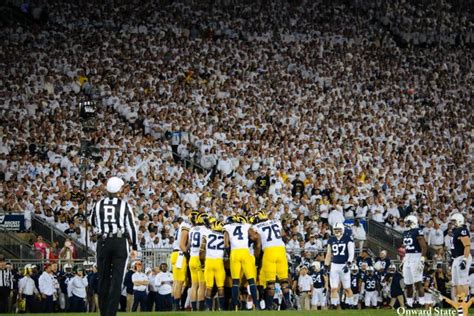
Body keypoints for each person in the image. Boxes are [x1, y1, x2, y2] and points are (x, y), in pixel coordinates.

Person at [88, 176, 138, 316]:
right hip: (119, 242)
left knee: (103, 277)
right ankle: (111, 313)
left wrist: (101, 228)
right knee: (117, 279)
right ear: (119, 190)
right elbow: (132, 227)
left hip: (103, 242)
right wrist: (134, 247)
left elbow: (92, 220)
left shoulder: (98, 204)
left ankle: (103, 313)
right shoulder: (124, 205)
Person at [251, 211, 291, 310]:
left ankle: (269, 307)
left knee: (271, 282)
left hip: (269, 251)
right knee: (284, 280)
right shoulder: (276, 222)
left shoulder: (256, 227)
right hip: (281, 250)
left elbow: (259, 245)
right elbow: (283, 234)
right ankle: (289, 304)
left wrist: (256, 257)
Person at [223, 214, 260, 310]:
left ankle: (234, 305)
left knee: (235, 281)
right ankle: (256, 305)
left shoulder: (228, 227)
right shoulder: (245, 225)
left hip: (235, 253)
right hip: (245, 251)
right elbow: (254, 237)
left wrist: (229, 252)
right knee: (251, 281)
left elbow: (226, 244)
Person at [324, 222, 354, 309]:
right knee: (333, 288)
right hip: (334, 265)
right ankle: (334, 305)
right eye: (335, 230)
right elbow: (328, 254)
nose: (337, 231)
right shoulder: (331, 239)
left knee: (347, 288)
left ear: (343, 230)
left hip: (344, 264)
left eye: (339, 229)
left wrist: (348, 264)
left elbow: (351, 253)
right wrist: (326, 265)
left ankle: (351, 304)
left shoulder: (348, 238)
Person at [401, 214, 428, 307]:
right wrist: (404, 258)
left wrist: (422, 259)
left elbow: (424, 246)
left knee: (417, 282)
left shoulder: (418, 231)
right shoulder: (405, 232)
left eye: (408, 222)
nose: (406, 224)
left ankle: (422, 302)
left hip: (416, 256)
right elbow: (405, 247)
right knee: (407, 282)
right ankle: (409, 303)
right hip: (408, 256)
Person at [202, 219, 226, 310]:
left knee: (208, 287)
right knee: (220, 287)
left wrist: (202, 263)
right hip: (219, 262)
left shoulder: (207, 233)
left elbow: (202, 250)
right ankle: (221, 308)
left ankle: (208, 307)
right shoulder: (224, 235)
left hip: (209, 261)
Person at [170, 211, 191, 311]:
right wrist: (188, 255)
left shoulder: (182, 225)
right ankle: (176, 306)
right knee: (179, 282)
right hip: (180, 254)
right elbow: (182, 245)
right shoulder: (186, 225)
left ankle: (175, 304)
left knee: (176, 282)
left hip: (176, 254)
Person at [187, 212, 208, 310]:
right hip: (200, 258)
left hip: (192, 257)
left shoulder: (191, 229)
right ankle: (200, 308)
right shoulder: (205, 230)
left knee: (194, 285)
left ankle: (194, 308)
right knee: (202, 285)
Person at [450, 213, 472, 300]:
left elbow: (467, 245)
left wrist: (465, 260)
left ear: (459, 220)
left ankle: (464, 301)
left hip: (462, 257)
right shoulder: (455, 231)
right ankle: (459, 302)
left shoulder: (462, 230)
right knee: (455, 282)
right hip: (456, 258)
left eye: (454, 221)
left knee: (462, 282)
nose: (453, 223)